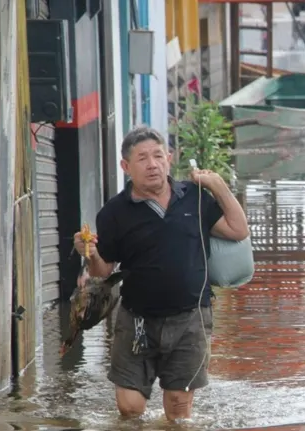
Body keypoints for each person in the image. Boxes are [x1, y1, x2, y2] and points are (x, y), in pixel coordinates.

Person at [72, 126, 249, 421]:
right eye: (142, 158)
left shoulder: (195, 197)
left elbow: (238, 230)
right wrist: (88, 253)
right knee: (130, 408)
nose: (152, 164)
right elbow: (104, 270)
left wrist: (217, 185)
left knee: (179, 410)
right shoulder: (114, 213)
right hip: (137, 319)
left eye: (157, 155)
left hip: (191, 317)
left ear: (169, 158)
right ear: (126, 167)